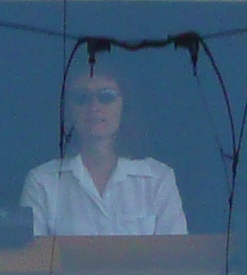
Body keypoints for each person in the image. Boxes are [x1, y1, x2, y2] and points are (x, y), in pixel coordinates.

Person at [19, 71, 187, 237]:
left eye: (106, 97)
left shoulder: (158, 178)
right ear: (67, 109)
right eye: (82, 97)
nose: (94, 106)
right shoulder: (41, 182)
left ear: (125, 106)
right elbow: (33, 259)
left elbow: (176, 258)